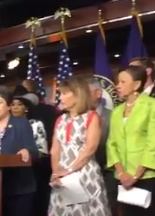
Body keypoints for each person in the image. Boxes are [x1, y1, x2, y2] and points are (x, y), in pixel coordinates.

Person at [107, 65, 155, 216]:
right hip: (123, 179)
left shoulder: (153, 105)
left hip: (149, 177)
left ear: (136, 84)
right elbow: (111, 143)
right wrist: (122, 174)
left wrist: (135, 176)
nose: (118, 86)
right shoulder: (116, 112)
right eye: (118, 82)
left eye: (123, 82)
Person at [48, 77, 110, 216]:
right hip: (62, 177)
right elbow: (55, 149)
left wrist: (69, 170)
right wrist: (56, 172)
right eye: (60, 93)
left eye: (64, 93)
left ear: (77, 94)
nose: (60, 98)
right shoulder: (60, 119)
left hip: (85, 174)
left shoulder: (91, 117)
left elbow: (90, 149)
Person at [0, 86, 38, 216]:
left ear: (8, 106)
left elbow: (34, 151)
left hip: (19, 187)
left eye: (0, 102)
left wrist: (27, 151)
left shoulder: (21, 123)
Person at [10, 92, 49, 215]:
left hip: (33, 170)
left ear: (26, 108)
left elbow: (42, 150)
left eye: (19, 104)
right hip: (10, 173)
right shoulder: (4, 126)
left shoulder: (36, 124)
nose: (15, 107)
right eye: (12, 104)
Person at [86, 77, 116, 215]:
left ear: (98, 93)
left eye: (87, 92)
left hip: (108, 173)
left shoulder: (112, 115)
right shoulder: (79, 117)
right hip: (85, 176)